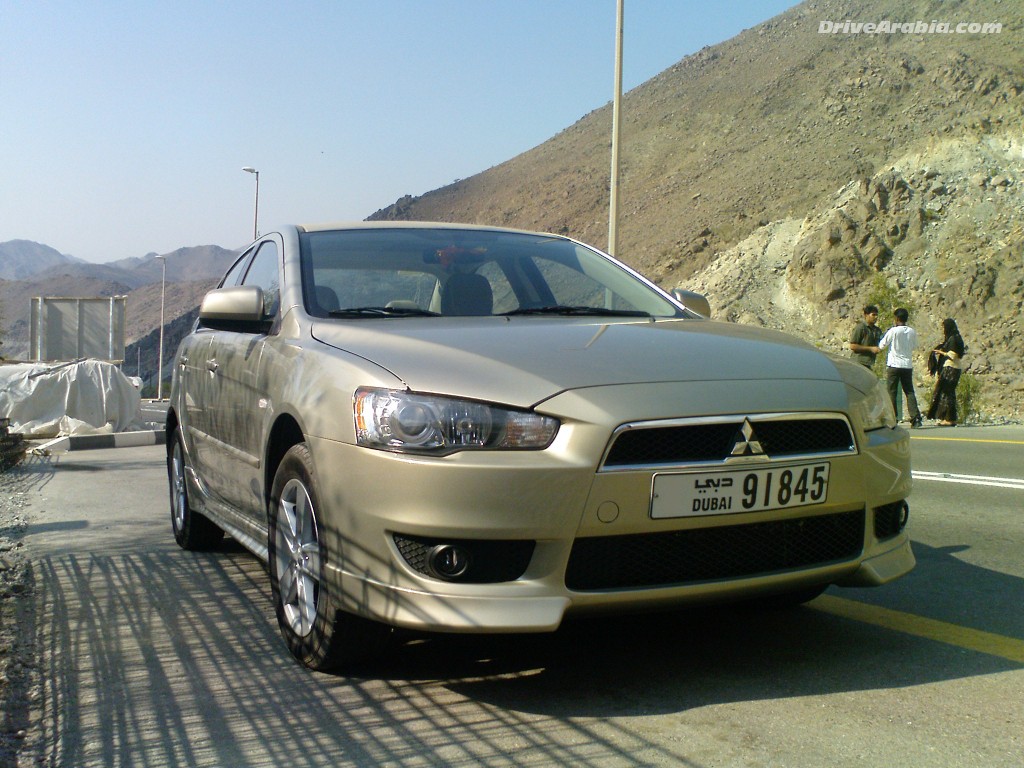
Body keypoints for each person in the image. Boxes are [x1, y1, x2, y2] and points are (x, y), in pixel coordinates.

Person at [878, 307, 922, 427]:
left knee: (891, 391)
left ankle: (893, 418)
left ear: (896, 318)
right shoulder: (912, 331)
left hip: (894, 364)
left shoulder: (893, 331)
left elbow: (882, 345)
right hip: (907, 365)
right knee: (909, 391)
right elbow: (914, 346)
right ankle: (915, 418)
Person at [927, 318, 966, 426]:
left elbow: (953, 355)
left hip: (950, 368)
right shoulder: (957, 337)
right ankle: (950, 418)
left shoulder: (953, 339)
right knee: (950, 393)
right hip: (956, 368)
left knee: (946, 393)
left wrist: (941, 352)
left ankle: (948, 419)